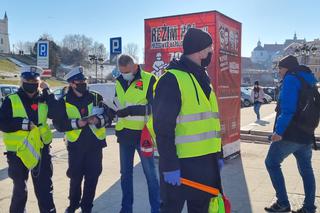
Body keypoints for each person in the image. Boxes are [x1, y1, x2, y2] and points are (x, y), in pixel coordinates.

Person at [153, 28, 223, 213]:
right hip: (180, 166)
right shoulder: (171, 80)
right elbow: (162, 128)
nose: (211, 52)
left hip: (205, 164)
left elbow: (211, 122)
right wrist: (169, 165)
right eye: (210, 48)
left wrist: (218, 154)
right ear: (200, 51)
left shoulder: (203, 78)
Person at [52, 66, 111, 213]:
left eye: (84, 80)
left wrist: (98, 119)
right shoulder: (63, 101)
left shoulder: (96, 97)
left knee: (92, 177)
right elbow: (59, 124)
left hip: (95, 145)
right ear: (72, 84)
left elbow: (110, 115)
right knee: (75, 177)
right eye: (79, 81)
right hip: (76, 146)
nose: (83, 83)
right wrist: (78, 123)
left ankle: (87, 206)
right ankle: (73, 204)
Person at [264, 55, 318, 213]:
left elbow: (287, 110)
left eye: (280, 68)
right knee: (306, 169)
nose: (279, 72)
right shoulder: (309, 81)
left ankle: (282, 203)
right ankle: (309, 207)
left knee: (271, 163)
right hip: (307, 134)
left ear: (286, 67)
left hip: (290, 134)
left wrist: (278, 132)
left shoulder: (290, 80)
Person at [0, 66, 56, 213]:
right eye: (28, 80)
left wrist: (48, 92)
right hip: (18, 153)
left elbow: (58, 114)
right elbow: (2, 123)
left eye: (35, 81)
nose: (31, 83)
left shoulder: (44, 99)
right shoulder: (11, 100)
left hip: (41, 150)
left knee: (45, 191)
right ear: (22, 80)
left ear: (39, 82)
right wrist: (22, 124)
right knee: (20, 192)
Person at [114, 54, 160, 213]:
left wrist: (131, 111)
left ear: (135, 66)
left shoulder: (149, 79)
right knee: (125, 175)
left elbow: (155, 108)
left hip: (143, 136)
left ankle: (156, 209)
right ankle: (126, 209)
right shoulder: (118, 81)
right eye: (121, 71)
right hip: (124, 135)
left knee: (151, 176)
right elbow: (116, 102)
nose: (124, 74)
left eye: (126, 71)